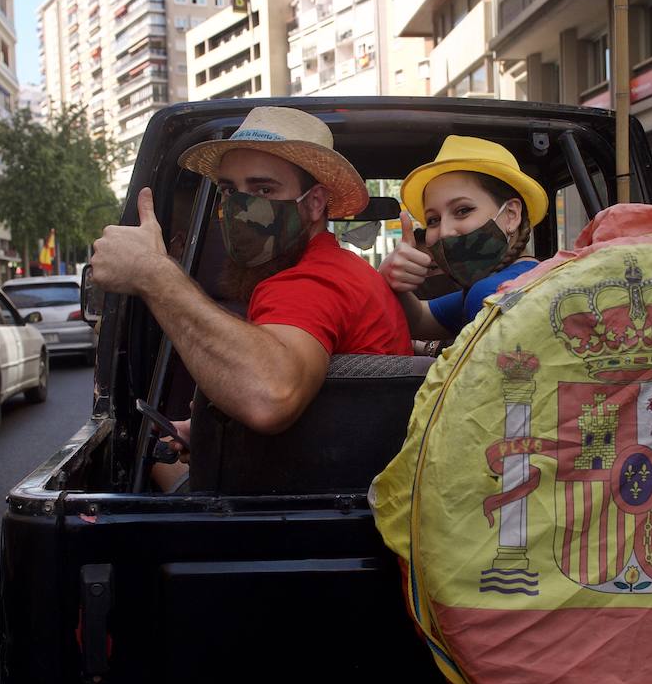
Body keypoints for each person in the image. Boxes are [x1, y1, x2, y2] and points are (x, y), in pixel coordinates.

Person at [89, 106, 411, 441]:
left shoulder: (307, 284)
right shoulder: (346, 268)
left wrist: (151, 272)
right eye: (229, 191)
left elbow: (271, 397)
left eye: (264, 190)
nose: (239, 210)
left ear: (315, 203)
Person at [378, 136, 547, 345]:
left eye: (463, 210)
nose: (445, 232)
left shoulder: (488, 293)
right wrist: (389, 281)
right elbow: (421, 318)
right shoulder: (530, 276)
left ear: (511, 215)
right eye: (433, 220)